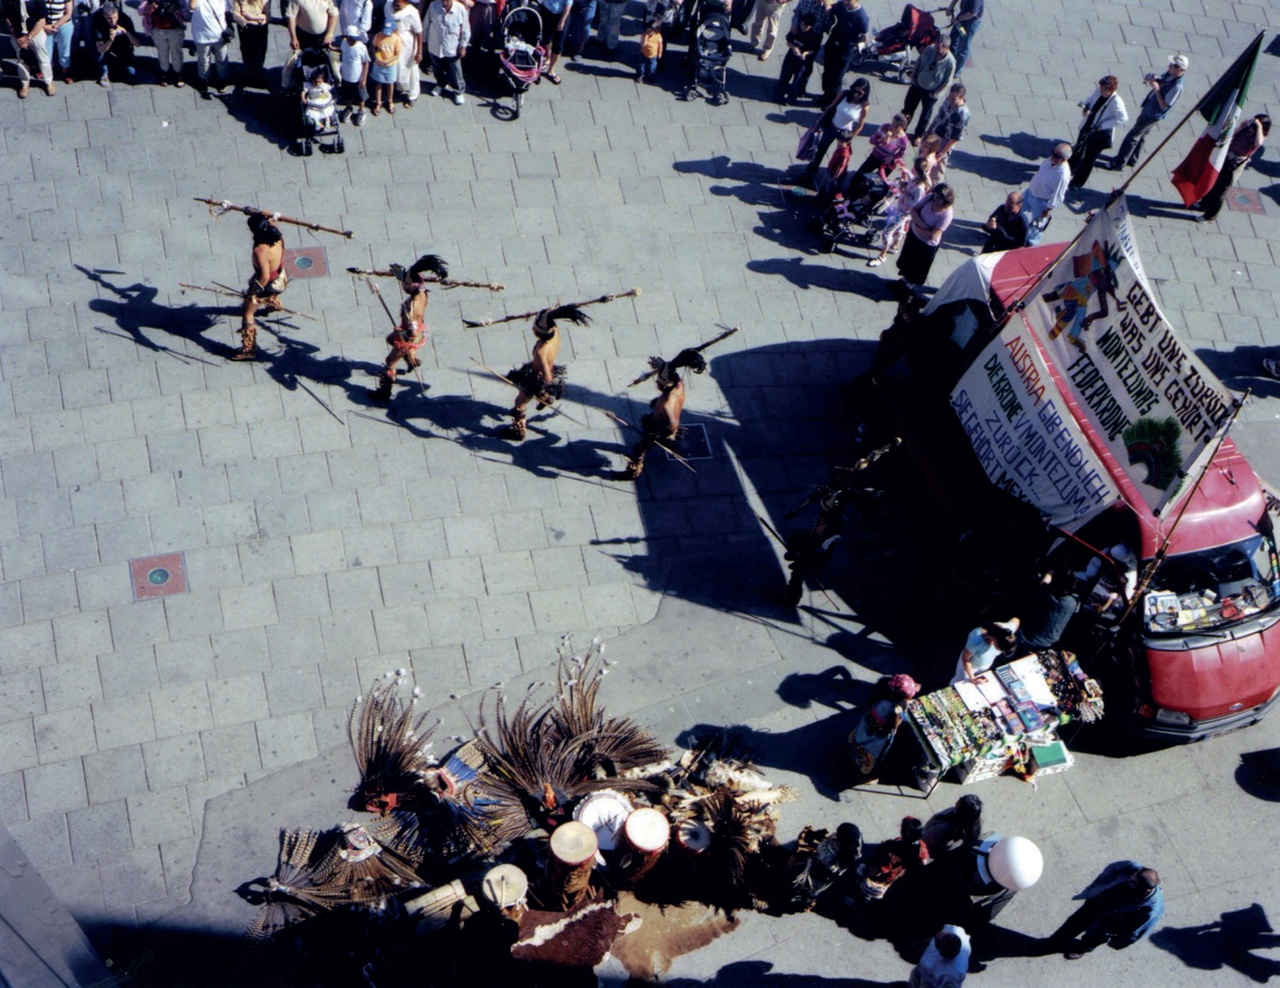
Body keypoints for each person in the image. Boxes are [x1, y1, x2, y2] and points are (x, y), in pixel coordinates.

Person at [502, 304, 591, 440]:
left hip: (535, 376)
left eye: (534, 329)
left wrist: (547, 383)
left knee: (520, 402)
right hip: (547, 369)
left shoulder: (541, 351)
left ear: (539, 333)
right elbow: (549, 318)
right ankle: (545, 396)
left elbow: (547, 376)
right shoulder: (555, 330)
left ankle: (519, 431)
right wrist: (548, 312)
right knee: (539, 389)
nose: (532, 329)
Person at [617, 348, 707, 481]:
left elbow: (671, 423)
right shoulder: (677, 383)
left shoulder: (667, 406)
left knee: (639, 449)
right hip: (660, 419)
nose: (656, 383)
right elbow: (669, 370)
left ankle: (633, 471)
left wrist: (656, 435)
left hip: (662, 428)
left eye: (658, 382)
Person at [370, 255, 449, 402]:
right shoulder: (422, 292)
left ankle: (384, 392)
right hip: (420, 330)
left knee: (390, 361)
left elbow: (411, 333)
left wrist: (402, 332)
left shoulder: (411, 307)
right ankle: (411, 359)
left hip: (408, 337)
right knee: (389, 339)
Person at [1050, 862, 1164, 959]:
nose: (1130, 880)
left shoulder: (1152, 908)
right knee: (1074, 922)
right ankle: (1057, 941)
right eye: (1133, 877)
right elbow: (1112, 869)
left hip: (1110, 923)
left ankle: (1080, 949)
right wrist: (1095, 888)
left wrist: (1119, 943)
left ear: (1146, 890)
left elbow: (1137, 931)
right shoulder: (1132, 867)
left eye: (1134, 883)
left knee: (1092, 938)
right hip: (1099, 903)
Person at [1111, 54, 1187, 170]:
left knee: (1133, 136)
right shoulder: (1170, 75)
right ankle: (1132, 159)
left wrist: (1157, 89)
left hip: (1152, 114)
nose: (1168, 66)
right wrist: (1155, 79)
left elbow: (1164, 105)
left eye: (1172, 65)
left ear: (1179, 69)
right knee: (1143, 135)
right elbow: (1162, 81)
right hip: (1149, 107)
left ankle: (1119, 163)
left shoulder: (1177, 87)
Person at [1197, 113, 1270, 222]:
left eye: (1254, 127)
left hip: (1235, 164)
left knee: (1221, 190)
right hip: (1226, 157)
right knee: (1214, 181)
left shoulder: (1258, 137)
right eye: (1252, 125)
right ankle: (1204, 203)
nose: (1251, 128)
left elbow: (1259, 143)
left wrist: (1259, 127)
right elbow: (1231, 135)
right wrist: (1241, 126)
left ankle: (1210, 215)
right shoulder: (1246, 129)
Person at [236, 212, 287, 361]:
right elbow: (271, 219)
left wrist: (252, 294)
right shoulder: (276, 235)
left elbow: (264, 277)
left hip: (269, 283)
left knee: (247, 312)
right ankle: (273, 304)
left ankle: (248, 349)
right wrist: (265, 215)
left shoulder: (260, 250)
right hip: (281, 275)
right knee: (259, 284)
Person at [867, 156, 930, 267]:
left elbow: (916, 204)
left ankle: (882, 256)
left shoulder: (920, 187)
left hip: (904, 213)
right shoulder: (918, 178)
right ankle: (894, 246)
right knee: (900, 228)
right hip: (902, 208)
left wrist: (905, 192)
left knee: (887, 231)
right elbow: (912, 180)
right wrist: (906, 175)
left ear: (916, 168)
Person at [805, 77, 870, 184]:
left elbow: (860, 125)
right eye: (855, 90)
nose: (856, 94)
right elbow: (830, 107)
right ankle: (810, 172)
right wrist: (818, 121)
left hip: (845, 133)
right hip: (832, 126)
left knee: (842, 155)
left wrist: (850, 138)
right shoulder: (844, 94)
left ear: (865, 94)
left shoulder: (864, 107)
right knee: (820, 150)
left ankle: (838, 178)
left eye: (860, 93)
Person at [1069, 75, 1128, 190]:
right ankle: (1070, 170)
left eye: (1104, 89)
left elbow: (1123, 118)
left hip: (1099, 134)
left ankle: (1077, 182)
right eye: (1100, 87)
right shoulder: (1100, 91)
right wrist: (1085, 106)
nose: (1100, 90)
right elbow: (1091, 99)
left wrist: (1103, 126)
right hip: (1088, 125)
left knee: (1089, 158)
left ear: (1111, 90)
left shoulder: (1116, 101)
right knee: (1078, 149)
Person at [853, 816, 928, 903]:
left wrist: (867, 869)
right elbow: (923, 862)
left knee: (865, 887)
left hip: (879, 880)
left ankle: (860, 901)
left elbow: (880, 869)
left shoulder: (891, 849)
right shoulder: (920, 847)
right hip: (895, 877)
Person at [896, 182, 954, 294]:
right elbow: (913, 210)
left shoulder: (947, 214)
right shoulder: (929, 198)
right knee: (907, 261)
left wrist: (916, 225)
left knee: (916, 269)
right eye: (935, 196)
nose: (936, 200)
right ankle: (903, 281)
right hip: (914, 236)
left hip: (925, 246)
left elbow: (933, 236)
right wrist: (922, 226)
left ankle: (907, 288)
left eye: (939, 198)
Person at [901, 35, 954, 144]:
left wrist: (935, 92)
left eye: (939, 49)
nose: (936, 50)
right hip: (917, 85)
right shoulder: (929, 49)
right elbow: (919, 62)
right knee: (908, 109)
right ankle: (901, 128)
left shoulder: (950, 62)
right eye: (936, 47)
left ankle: (919, 135)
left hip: (931, 92)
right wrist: (913, 77)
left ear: (947, 48)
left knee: (925, 116)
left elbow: (947, 82)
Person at [782, 0, 834, 101]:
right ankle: (783, 86)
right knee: (790, 61)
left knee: (806, 65)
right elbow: (798, 12)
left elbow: (829, 26)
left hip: (814, 37)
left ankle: (799, 88)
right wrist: (795, 24)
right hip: (800, 32)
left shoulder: (827, 7)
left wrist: (828, 13)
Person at [1022, 143, 1071, 246]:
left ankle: (1031, 243)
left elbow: (1058, 196)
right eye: (1053, 154)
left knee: (1036, 226)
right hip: (1030, 192)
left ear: (1064, 159)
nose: (1052, 158)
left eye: (1057, 157)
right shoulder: (1050, 160)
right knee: (1017, 211)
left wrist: (1047, 210)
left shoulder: (1062, 176)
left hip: (1041, 202)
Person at [818, 0, 866, 103]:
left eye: (849, 0)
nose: (846, 2)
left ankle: (832, 101)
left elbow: (863, 37)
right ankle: (826, 94)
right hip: (832, 43)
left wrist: (852, 44)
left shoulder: (861, 17)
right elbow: (830, 4)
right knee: (827, 71)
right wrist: (827, 7)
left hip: (845, 50)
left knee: (837, 77)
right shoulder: (842, 5)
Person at [1018, 570, 1079, 651]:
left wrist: (1051, 571)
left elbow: (1044, 581)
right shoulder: (1074, 602)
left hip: (1027, 639)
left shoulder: (1047, 594)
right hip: (1048, 644)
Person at [5, 0, 54, 97]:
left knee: (43, 58)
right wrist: (16, 35)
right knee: (21, 60)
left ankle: (49, 82)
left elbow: (41, 20)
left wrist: (28, 38)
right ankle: (25, 84)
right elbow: (7, 17)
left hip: (36, 33)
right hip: (18, 36)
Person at [425, 0, 468, 104]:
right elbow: (426, 24)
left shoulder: (460, 9)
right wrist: (423, 42)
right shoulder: (433, 6)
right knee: (437, 67)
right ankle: (441, 84)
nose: (444, 2)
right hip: (435, 44)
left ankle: (458, 91)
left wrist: (463, 46)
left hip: (452, 46)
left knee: (455, 70)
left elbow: (466, 29)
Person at [774, 11, 821, 105]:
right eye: (803, 25)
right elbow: (788, 41)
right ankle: (779, 95)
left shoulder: (813, 36)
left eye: (806, 26)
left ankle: (791, 98)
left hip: (802, 62)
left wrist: (805, 53)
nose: (803, 27)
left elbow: (812, 49)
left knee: (797, 80)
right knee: (784, 76)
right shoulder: (796, 30)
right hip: (790, 58)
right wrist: (794, 48)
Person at [952, 618, 1018, 684]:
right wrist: (972, 677)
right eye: (999, 649)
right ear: (996, 641)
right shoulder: (976, 641)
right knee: (959, 683)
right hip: (969, 666)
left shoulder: (1006, 634)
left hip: (984, 665)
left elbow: (1016, 620)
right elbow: (965, 659)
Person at [190, 0, 233, 97]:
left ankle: (223, 79)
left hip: (219, 34)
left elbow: (229, 10)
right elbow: (191, 6)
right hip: (202, 34)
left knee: (222, 58)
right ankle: (203, 80)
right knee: (204, 59)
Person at [383, 0, 421, 106]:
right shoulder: (388, 5)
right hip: (392, 42)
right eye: (394, 4)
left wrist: (419, 52)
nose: (395, 6)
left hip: (407, 45)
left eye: (398, 5)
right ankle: (399, 87)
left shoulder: (412, 12)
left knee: (410, 69)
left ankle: (413, 95)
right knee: (396, 68)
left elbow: (419, 32)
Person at [91, 1, 139, 87]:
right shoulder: (98, 22)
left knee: (132, 73)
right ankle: (104, 73)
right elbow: (100, 49)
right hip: (106, 50)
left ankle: (122, 66)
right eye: (109, 19)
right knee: (99, 56)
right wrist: (110, 40)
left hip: (123, 49)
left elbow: (137, 43)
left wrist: (126, 32)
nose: (113, 21)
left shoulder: (125, 19)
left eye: (115, 17)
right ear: (104, 16)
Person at [925, 82, 968, 170]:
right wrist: (927, 133)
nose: (950, 100)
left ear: (962, 98)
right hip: (932, 137)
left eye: (954, 99)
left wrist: (941, 154)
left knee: (935, 174)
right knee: (922, 165)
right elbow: (938, 117)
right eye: (949, 97)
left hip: (942, 144)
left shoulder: (962, 115)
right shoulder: (948, 100)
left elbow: (955, 138)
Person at [232, 0, 270, 86]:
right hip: (246, 30)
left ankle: (258, 74)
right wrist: (258, 19)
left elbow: (268, 16)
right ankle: (249, 75)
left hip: (260, 29)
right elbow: (237, 16)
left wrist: (251, 17)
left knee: (260, 53)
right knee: (247, 53)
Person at [337, 23, 369, 123]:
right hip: (346, 76)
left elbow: (366, 62)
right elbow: (342, 52)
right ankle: (349, 108)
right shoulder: (344, 43)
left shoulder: (361, 47)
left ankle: (361, 111)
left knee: (361, 96)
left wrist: (364, 78)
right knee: (347, 94)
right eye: (350, 38)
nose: (352, 40)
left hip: (358, 78)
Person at [536, 0, 570, 85]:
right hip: (547, 11)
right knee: (546, 38)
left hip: (561, 15)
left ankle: (551, 70)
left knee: (558, 45)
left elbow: (568, 4)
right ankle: (548, 58)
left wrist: (562, 21)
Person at [42, 0, 73, 86]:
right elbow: (37, 12)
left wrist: (55, 26)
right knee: (46, 51)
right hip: (46, 26)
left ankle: (65, 71)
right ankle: (47, 71)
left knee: (64, 50)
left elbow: (68, 14)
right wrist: (45, 26)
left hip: (63, 24)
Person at [946, 0, 980, 74]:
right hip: (963, 16)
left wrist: (957, 19)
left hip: (970, 23)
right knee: (953, 38)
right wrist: (951, 6)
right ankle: (949, 60)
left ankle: (956, 71)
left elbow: (972, 13)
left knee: (963, 46)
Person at [636, 16, 662, 83]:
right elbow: (643, 45)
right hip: (643, 55)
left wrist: (660, 52)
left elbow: (660, 45)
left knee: (652, 67)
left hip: (653, 56)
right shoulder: (644, 35)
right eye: (647, 29)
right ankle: (640, 76)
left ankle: (650, 76)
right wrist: (645, 37)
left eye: (650, 31)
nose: (648, 31)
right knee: (641, 67)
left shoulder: (658, 36)